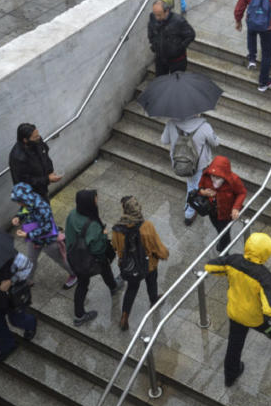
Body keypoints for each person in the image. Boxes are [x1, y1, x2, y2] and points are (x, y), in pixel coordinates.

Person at [205, 232, 271, 387]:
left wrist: (227, 272)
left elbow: (210, 266)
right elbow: (269, 308)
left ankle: (230, 375)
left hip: (235, 312)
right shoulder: (264, 277)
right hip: (256, 318)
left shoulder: (234, 260)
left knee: (234, 345)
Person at [111, 196, 169, 332]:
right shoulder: (146, 226)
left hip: (130, 267)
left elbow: (115, 246)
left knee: (131, 289)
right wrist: (164, 254)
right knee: (151, 281)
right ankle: (154, 299)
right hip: (148, 264)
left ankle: (124, 316)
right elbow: (156, 246)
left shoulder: (117, 228)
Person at [65, 189, 122, 327]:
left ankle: (113, 286)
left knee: (96, 274)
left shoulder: (72, 214)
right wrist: (103, 235)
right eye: (95, 199)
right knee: (86, 282)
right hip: (88, 260)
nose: (97, 200)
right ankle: (79, 315)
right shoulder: (93, 225)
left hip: (73, 256)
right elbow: (98, 249)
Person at [11, 182, 77, 289]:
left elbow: (47, 229)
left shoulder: (42, 208)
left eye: (19, 201)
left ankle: (75, 274)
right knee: (31, 260)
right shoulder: (28, 202)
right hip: (33, 240)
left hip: (48, 241)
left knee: (61, 260)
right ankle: (28, 280)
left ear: (25, 199)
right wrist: (18, 217)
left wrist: (28, 234)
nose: (18, 204)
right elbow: (23, 211)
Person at [160, 115, 218, 226]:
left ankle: (189, 205)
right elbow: (215, 142)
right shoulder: (204, 126)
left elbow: (164, 140)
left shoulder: (171, 123)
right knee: (193, 186)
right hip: (196, 164)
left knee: (191, 183)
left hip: (178, 162)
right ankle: (189, 213)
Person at [198, 155, 247, 253]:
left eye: (218, 177)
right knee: (219, 229)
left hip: (226, 214)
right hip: (212, 212)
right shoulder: (206, 176)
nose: (214, 179)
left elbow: (242, 192)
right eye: (213, 176)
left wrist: (236, 208)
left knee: (224, 233)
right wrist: (203, 192)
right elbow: (200, 187)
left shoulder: (234, 180)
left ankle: (224, 249)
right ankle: (223, 244)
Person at [9, 123, 61, 201]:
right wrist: (47, 179)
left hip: (42, 186)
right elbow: (25, 181)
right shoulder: (18, 158)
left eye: (38, 135)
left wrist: (50, 171)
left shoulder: (37, 141)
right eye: (35, 137)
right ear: (25, 140)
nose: (39, 137)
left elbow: (45, 154)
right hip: (30, 194)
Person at [147, 1, 195, 76]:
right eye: (155, 14)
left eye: (159, 15)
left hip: (177, 60)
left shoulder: (178, 21)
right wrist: (154, 44)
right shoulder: (153, 17)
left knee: (177, 81)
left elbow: (191, 35)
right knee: (160, 80)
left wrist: (179, 47)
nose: (156, 18)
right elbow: (151, 31)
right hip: (160, 58)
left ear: (167, 12)